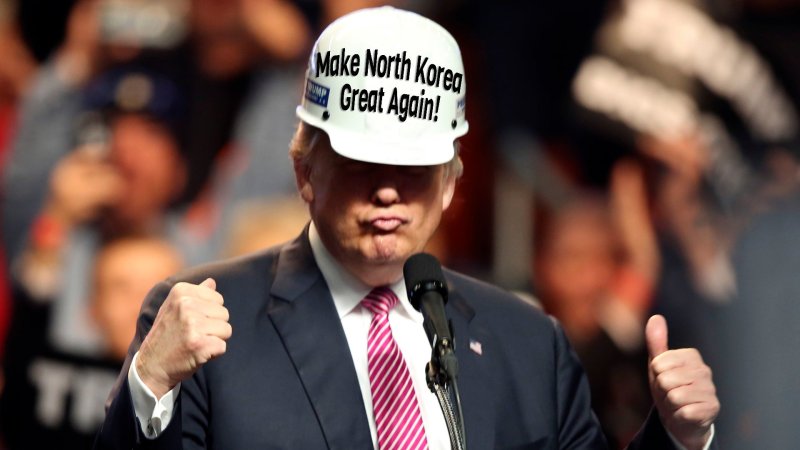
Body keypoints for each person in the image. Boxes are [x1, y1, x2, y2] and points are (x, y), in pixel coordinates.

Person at [95, 7, 719, 450]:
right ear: (305, 170)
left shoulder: (530, 344)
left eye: (414, 167)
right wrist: (150, 385)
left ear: (450, 182)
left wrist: (675, 437)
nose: (388, 189)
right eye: (361, 162)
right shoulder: (205, 321)